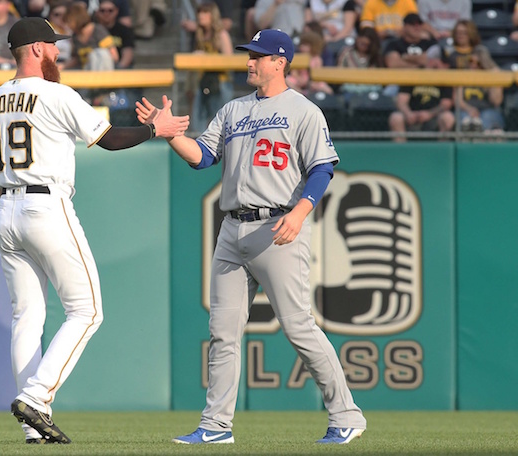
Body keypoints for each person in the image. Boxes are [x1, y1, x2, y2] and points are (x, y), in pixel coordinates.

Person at [136, 28, 367, 446]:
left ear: (280, 62)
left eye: (258, 56)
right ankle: (215, 426)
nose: (249, 62)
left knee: (298, 327)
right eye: (249, 55)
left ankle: (346, 415)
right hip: (232, 229)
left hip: (278, 226)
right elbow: (202, 158)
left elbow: (322, 168)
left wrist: (301, 212)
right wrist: (169, 134)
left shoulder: (304, 110)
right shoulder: (233, 110)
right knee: (223, 331)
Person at [0, 17, 189, 444]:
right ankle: (36, 399)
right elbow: (109, 140)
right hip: (45, 203)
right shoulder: (56, 94)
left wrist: (12, 200)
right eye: (53, 46)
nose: (58, 52)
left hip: (5, 207)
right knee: (87, 310)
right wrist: (156, 129)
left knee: (27, 317)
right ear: (36, 49)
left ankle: (31, 426)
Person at [182, 1, 234, 133]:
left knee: (219, 121)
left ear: (213, 15)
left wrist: (206, 56)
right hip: (202, 81)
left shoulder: (221, 34)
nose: (201, 16)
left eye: (205, 12)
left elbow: (230, 60)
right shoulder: (199, 35)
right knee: (198, 122)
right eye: (199, 12)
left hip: (220, 83)